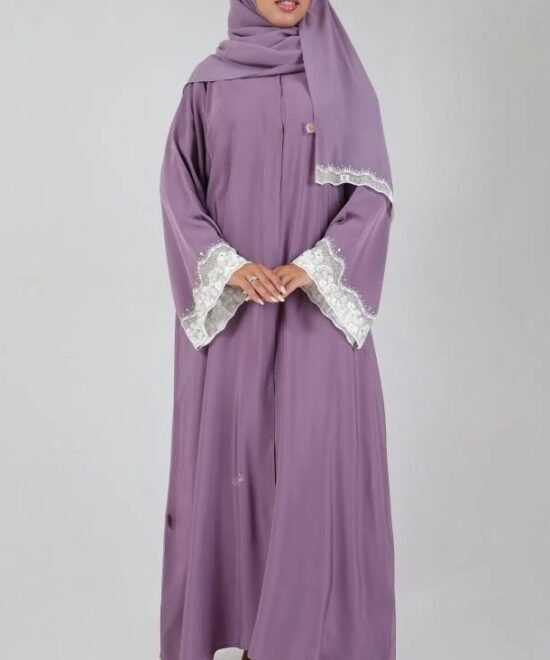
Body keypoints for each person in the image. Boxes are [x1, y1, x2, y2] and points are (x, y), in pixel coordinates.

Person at [158, 1, 396, 659]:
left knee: (313, 473)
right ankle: (242, 635)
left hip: (317, 314)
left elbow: (373, 196)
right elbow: (179, 193)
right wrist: (228, 268)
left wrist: (317, 266)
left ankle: (309, 641)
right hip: (234, 318)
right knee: (233, 474)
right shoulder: (207, 85)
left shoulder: (344, 80)